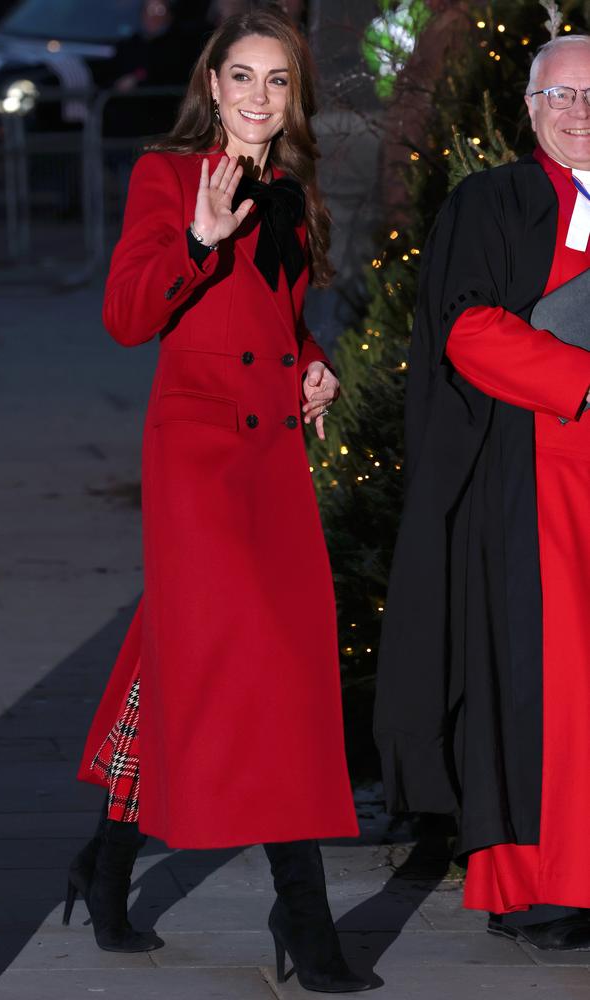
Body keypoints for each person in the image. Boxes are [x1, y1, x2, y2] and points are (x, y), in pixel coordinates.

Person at [68, 9, 370, 993]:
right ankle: (306, 915)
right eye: (240, 76)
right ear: (210, 84)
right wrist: (196, 240)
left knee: (186, 657)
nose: (255, 96)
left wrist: (313, 367)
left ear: (293, 97)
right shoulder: (167, 176)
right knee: (267, 668)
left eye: (275, 81)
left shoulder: (290, 186)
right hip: (198, 457)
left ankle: (103, 865)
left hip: (271, 457)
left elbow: (276, 318)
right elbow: (123, 317)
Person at [374, 34, 590, 950]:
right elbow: (468, 330)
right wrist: (581, 378)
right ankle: (545, 885)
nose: (579, 112)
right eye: (563, 96)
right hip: (539, 474)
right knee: (553, 687)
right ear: (531, 109)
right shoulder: (489, 201)